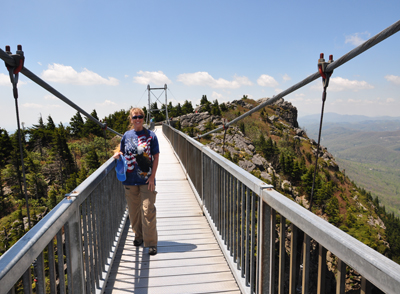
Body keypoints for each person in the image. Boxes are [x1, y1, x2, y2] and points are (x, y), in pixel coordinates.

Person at [113, 107, 160, 255]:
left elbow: (156, 156)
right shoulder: (126, 135)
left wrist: (152, 176)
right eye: (135, 117)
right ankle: (138, 236)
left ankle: (151, 242)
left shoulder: (151, 136)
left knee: (148, 210)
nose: (137, 119)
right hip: (129, 179)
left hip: (147, 179)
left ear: (143, 118)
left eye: (140, 116)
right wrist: (117, 154)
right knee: (134, 212)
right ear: (131, 119)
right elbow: (122, 151)